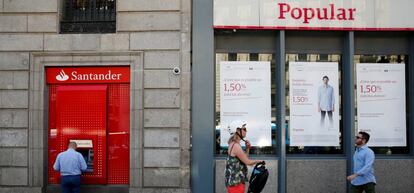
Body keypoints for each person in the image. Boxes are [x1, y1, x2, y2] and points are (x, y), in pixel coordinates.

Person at [225, 120, 263, 193]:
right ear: (237, 131)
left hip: (235, 183)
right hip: (236, 185)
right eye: (244, 129)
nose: (246, 131)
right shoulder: (236, 146)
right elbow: (247, 162)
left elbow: (244, 159)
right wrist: (259, 161)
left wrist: (247, 148)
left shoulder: (234, 144)